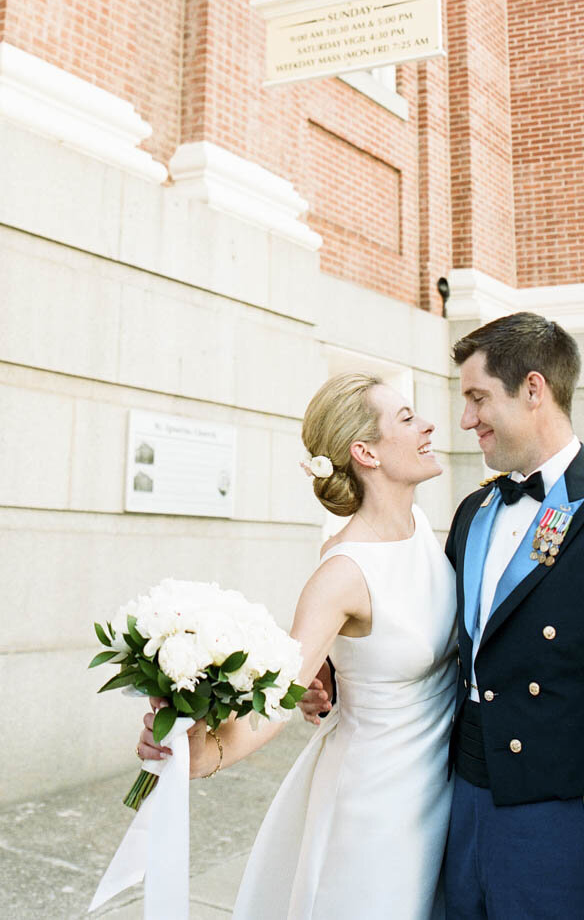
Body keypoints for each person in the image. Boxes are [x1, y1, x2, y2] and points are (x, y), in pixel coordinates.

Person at [301, 312, 584, 918]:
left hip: (559, 825)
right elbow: (432, 634)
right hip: (452, 812)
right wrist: (335, 670)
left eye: (477, 398)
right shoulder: (472, 513)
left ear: (534, 390)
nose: (465, 419)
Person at [136, 372, 458, 920]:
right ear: (366, 452)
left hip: (443, 787)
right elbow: (280, 701)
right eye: (406, 418)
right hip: (378, 806)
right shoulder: (342, 572)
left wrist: (334, 672)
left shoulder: (424, 528)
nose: (428, 425)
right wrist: (199, 752)